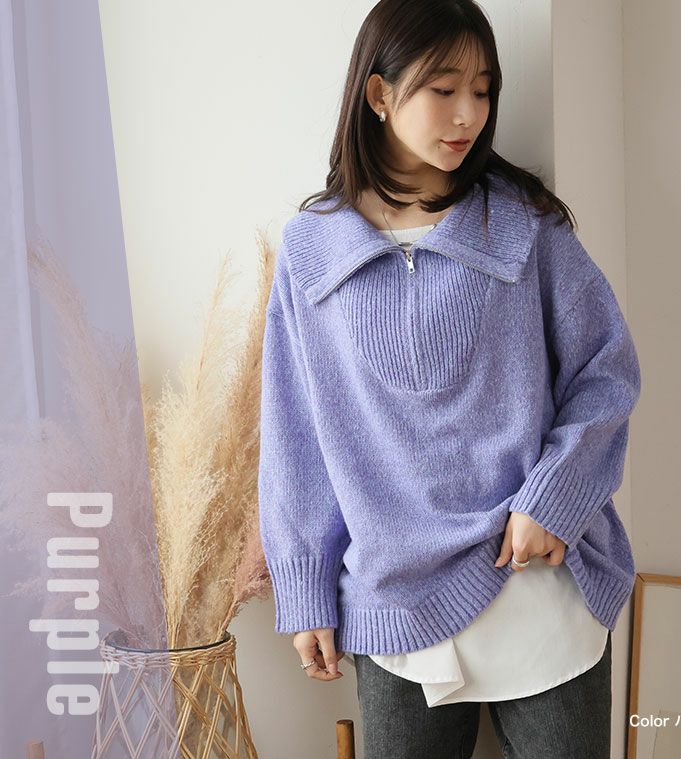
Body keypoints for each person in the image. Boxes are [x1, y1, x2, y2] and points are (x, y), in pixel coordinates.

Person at [257, 1, 641, 757]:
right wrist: (305, 590)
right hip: (391, 603)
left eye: (484, 89)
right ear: (379, 94)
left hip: (536, 580)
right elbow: (294, 438)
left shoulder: (525, 224)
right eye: (443, 89)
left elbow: (606, 370)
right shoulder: (311, 249)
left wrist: (553, 498)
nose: (469, 113)